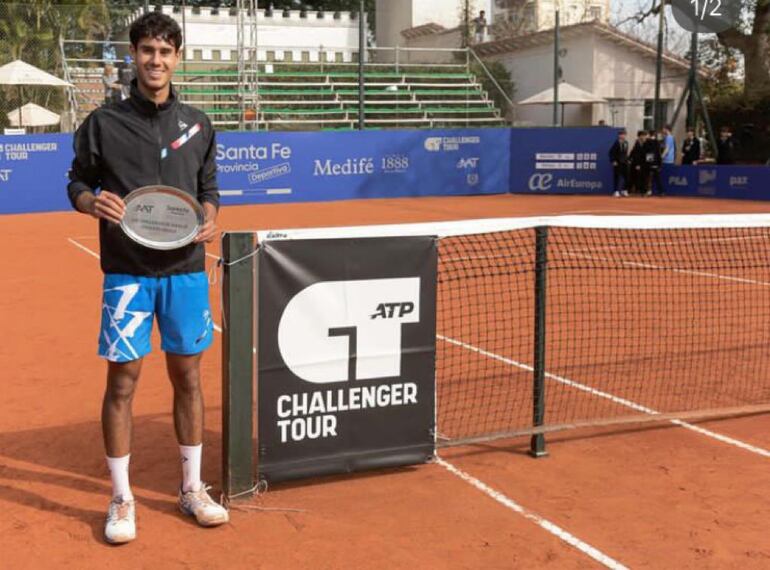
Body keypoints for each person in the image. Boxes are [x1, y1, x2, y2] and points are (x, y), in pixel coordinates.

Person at [66, 12, 227, 545]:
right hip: (127, 276)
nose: (155, 60)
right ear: (133, 55)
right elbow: (78, 182)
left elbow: (209, 187)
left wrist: (209, 214)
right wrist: (92, 202)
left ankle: (191, 487)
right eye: (146, 51)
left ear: (177, 57)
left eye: (165, 51)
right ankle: (121, 496)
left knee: (189, 379)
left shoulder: (200, 124)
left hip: (185, 273)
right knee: (123, 383)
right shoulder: (103, 123)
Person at [609, 129, 630, 197]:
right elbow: (611, 152)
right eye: (621, 134)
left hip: (625, 162)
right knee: (617, 177)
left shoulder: (626, 143)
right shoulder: (616, 143)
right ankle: (616, 191)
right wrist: (613, 161)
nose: (623, 136)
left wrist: (628, 160)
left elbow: (626, 153)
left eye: (624, 134)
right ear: (619, 135)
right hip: (617, 163)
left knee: (627, 177)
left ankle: (624, 190)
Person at [643, 129, 665, 196]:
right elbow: (658, 153)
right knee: (655, 177)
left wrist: (652, 163)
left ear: (649, 134)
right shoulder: (656, 142)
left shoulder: (647, 142)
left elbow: (646, 152)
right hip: (654, 162)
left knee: (649, 177)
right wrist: (659, 163)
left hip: (650, 162)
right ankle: (660, 192)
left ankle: (649, 191)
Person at [630, 130, 648, 195]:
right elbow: (635, 154)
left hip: (645, 163)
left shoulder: (647, 143)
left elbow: (648, 153)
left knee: (644, 177)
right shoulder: (636, 143)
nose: (645, 137)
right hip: (637, 163)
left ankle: (644, 191)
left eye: (645, 136)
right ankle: (638, 190)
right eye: (643, 135)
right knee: (637, 177)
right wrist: (637, 164)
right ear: (640, 136)